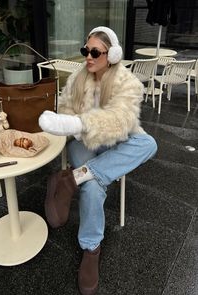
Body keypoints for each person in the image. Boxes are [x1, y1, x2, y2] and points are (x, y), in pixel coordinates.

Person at [39, 26, 158, 295]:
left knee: (148, 143)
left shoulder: (126, 82)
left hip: (115, 141)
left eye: (95, 52)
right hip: (84, 144)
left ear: (112, 55)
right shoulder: (77, 80)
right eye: (86, 51)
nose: (88, 57)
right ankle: (91, 248)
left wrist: (83, 122)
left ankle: (71, 177)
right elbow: (66, 115)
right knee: (93, 185)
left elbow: (121, 121)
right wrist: (73, 123)